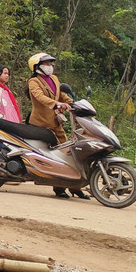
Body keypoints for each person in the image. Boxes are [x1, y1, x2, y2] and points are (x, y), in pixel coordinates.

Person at [26, 53, 87, 200]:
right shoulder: (33, 82)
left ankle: (74, 187)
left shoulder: (54, 79)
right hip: (41, 123)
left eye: (50, 63)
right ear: (37, 66)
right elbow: (41, 97)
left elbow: (60, 96)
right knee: (54, 156)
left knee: (68, 153)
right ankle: (58, 188)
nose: (49, 66)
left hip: (56, 123)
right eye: (46, 64)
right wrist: (57, 104)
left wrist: (73, 103)